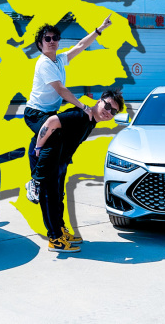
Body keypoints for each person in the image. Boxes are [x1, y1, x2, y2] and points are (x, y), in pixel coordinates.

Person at [24, 14, 112, 204]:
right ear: (40, 44)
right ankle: (35, 181)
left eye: (55, 38)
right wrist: (83, 106)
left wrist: (99, 29)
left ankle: (51, 178)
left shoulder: (59, 60)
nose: (52, 41)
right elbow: (61, 90)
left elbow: (80, 45)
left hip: (49, 113)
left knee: (46, 140)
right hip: (35, 112)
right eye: (47, 38)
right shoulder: (44, 64)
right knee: (53, 137)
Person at [33, 89, 124, 253]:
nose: (108, 112)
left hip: (59, 160)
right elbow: (51, 122)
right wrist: (38, 147)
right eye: (107, 106)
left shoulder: (90, 120)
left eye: (113, 111)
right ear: (99, 101)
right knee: (49, 197)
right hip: (47, 157)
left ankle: (60, 230)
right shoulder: (81, 115)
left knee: (58, 196)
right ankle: (55, 239)